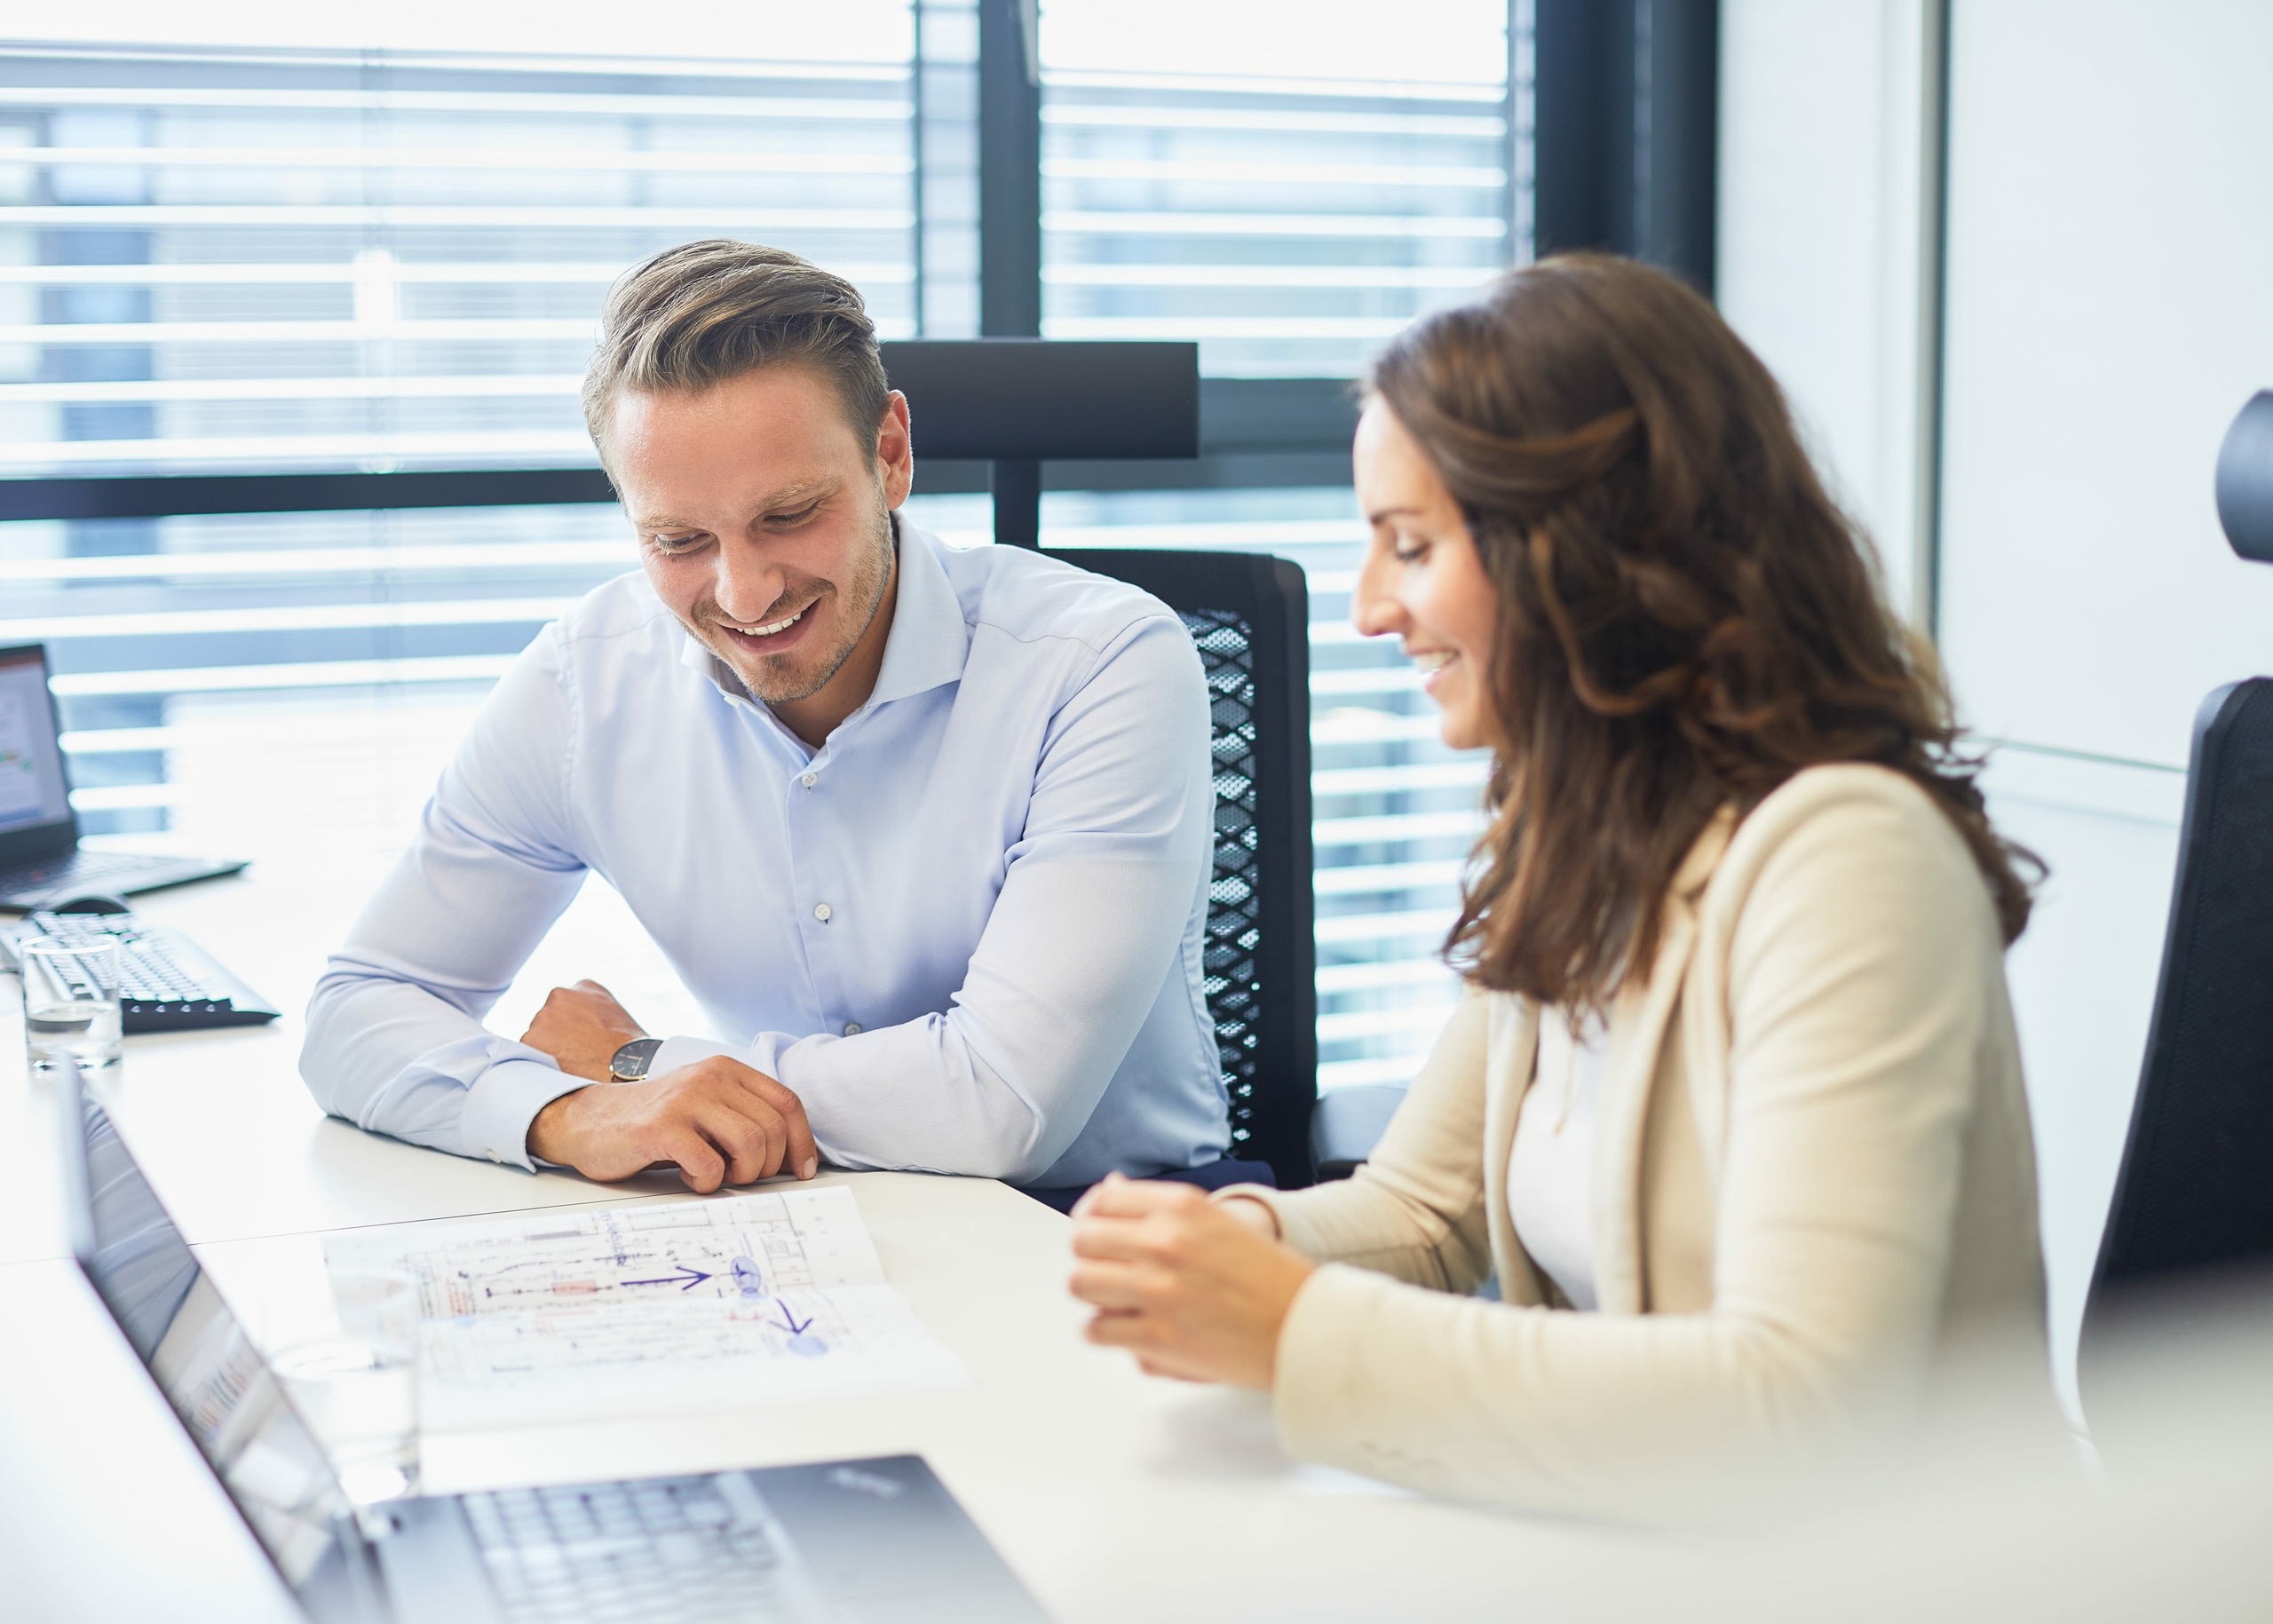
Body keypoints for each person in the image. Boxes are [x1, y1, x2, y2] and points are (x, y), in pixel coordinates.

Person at [1066, 253, 2053, 1516]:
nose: (1371, 607)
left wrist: (1298, 1332)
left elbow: (1803, 1407)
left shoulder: (1845, 859)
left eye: (1410, 547)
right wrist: (1232, 1253)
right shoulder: (1581, 836)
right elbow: (1425, 1213)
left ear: (1585, 552)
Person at [301, 239, 1237, 1200]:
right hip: (788, 1212)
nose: (743, 593)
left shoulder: (1104, 663)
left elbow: (1002, 1103)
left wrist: (641, 1062)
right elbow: (356, 1012)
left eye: (788, 514)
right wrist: (566, 1111)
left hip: (1114, 1235)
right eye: (679, 539)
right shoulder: (587, 679)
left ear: (891, 453)